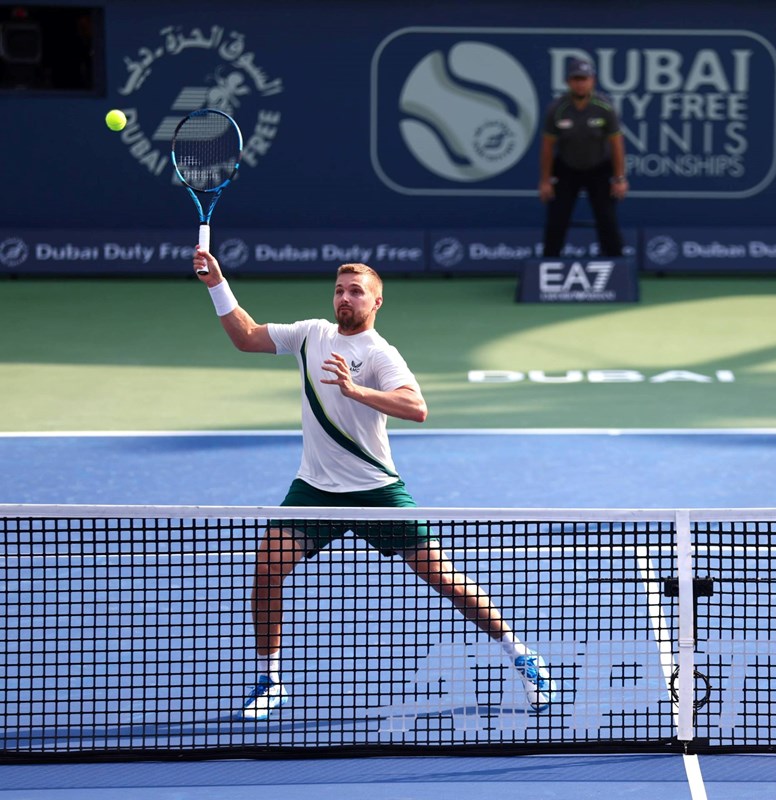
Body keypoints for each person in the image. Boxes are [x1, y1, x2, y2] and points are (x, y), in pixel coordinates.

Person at [191, 249, 557, 720]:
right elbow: (245, 337)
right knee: (266, 572)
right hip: (316, 488)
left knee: (442, 579)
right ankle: (270, 679)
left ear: (376, 302)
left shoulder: (381, 354)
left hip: (375, 488)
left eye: (356, 291)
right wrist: (216, 284)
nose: (345, 298)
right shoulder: (310, 335)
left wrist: (356, 390)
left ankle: (523, 656)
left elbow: (416, 407)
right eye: (340, 290)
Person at [538, 56, 627, 258]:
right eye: (576, 79)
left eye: (584, 79)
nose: (580, 84)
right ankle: (548, 265)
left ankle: (616, 266)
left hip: (599, 168)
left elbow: (617, 145)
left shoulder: (605, 107)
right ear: (568, 82)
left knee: (607, 219)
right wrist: (545, 181)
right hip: (567, 167)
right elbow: (547, 147)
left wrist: (620, 178)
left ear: (592, 81)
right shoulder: (556, 109)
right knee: (557, 218)